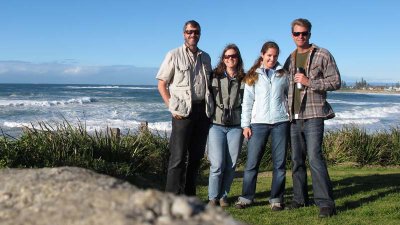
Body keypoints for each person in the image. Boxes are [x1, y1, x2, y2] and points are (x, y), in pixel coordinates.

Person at [283, 18, 341, 218]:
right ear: (292, 35)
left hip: (314, 113)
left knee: (315, 158)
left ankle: (326, 203)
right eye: (297, 33)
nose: (301, 37)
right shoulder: (289, 58)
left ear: (310, 34)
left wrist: (310, 82)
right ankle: (300, 199)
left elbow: (336, 82)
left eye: (304, 33)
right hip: (294, 116)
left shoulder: (322, 54)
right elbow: (285, 87)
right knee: (297, 159)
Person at [156, 20, 214, 196]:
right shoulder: (173, 55)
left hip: (202, 112)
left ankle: (190, 196)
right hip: (182, 113)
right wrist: (171, 107)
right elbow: (161, 84)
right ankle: (172, 198)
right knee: (178, 158)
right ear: (183, 34)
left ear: (199, 34)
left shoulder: (206, 57)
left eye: (195, 32)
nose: (192, 35)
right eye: (189, 32)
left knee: (196, 158)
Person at [235, 41, 290, 211]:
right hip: (258, 123)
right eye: (269, 55)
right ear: (262, 54)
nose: (272, 59)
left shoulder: (283, 74)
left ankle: (276, 199)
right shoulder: (253, 75)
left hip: (280, 122)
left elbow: (289, 96)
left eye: (275, 56)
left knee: (279, 165)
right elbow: (247, 102)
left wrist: (289, 115)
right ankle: (246, 197)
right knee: (252, 162)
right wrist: (245, 125)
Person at [207, 44, 245, 207]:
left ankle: (223, 196)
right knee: (217, 164)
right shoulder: (214, 76)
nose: (231, 59)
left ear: (238, 58)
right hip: (216, 125)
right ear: (223, 59)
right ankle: (212, 197)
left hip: (236, 125)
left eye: (234, 56)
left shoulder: (244, 78)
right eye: (228, 56)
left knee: (231, 164)